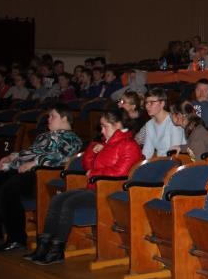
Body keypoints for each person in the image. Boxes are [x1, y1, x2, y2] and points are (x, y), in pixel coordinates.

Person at [27, 110, 142, 265]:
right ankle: (43, 246)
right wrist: (93, 152)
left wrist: (94, 172)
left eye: (105, 126)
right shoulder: (105, 143)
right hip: (95, 187)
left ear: (117, 125)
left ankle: (57, 250)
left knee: (69, 203)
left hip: (110, 191)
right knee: (58, 199)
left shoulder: (129, 145)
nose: (102, 131)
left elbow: (121, 172)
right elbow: (87, 165)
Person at [0, 106, 84, 251]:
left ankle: (16, 239)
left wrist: (35, 163)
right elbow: (29, 152)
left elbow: (61, 157)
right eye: (48, 116)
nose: (48, 119)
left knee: (8, 189)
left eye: (52, 116)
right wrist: (12, 156)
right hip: (20, 170)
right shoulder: (44, 136)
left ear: (64, 118)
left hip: (41, 174)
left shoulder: (72, 139)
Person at [141, 88, 186, 158]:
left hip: (177, 161)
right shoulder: (149, 124)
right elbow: (147, 151)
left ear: (162, 103)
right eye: (146, 102)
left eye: (152, 102)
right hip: (161, 160)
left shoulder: (174, 121)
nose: (147, 106)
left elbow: (174, 153)